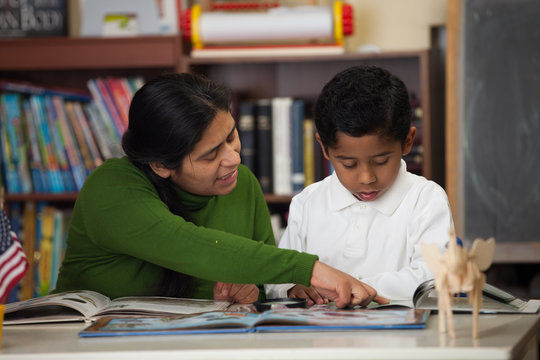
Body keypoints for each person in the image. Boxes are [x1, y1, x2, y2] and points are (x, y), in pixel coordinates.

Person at [53, 72, 386, 308]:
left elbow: (257, 282)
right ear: (161, 165)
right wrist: (314, 270)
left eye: (230, 136)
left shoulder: (243, 184)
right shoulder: (111, 187)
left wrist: (251, 294)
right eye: (210, 155)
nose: (233, 158)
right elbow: (190, 246)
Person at [266, 65, 454, 303]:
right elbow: (278, 276)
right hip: (323, 337)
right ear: (324, 148)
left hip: (402, 338)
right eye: (348, 164)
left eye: (380, 161)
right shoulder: (307, 203)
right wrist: (291, 288)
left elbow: (434, 279)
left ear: (407, 142)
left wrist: (347, 287)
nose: (366, 178)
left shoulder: (426, 200)